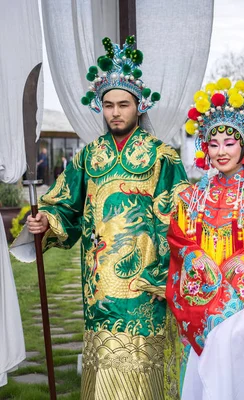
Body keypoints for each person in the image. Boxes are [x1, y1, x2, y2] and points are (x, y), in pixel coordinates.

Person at [26, 36, 188, 400]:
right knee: (104, 363)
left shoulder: (163, 157)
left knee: (143, 368)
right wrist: (46, 221)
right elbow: (64, 204)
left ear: (138, 106)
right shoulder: (88, 157)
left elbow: (181, 215)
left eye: (124, 105)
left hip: (146, 285)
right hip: (98, 287)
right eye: (109, 105)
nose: (115, 112)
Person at [167, 78, 244, 400]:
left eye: (229, 143)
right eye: (213, 143)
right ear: (204, 148)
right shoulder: (189, 199)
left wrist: (230, 301)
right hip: (199, 314)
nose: (221, 151)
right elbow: (179, 245)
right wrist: (205, 279)